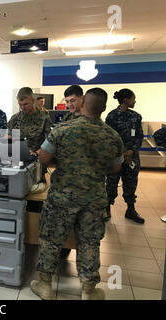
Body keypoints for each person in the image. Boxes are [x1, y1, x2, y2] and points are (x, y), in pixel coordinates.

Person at [31, 88, 124, 300]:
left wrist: (62, 163)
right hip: (94, 199)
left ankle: (45, 285)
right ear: (104, 108)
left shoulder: (63, 130)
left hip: (62, 197)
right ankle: (88, 290)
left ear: (82, 104)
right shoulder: (113, 136)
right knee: (90, 242)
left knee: (51, 239)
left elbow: (44, 158)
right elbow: (116, 168)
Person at [106, 89, 145, 224]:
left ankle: (130, 209)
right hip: (116, 158)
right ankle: (106, 209)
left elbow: (139, 136)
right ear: (125, 100)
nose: (135, 101)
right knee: (111, 183)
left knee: (131, 183)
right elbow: (109, 138)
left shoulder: (136, 116)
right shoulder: (112, 116)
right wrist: (122, 153)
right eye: (133, 98)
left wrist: (132, 151)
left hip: (132, 157)